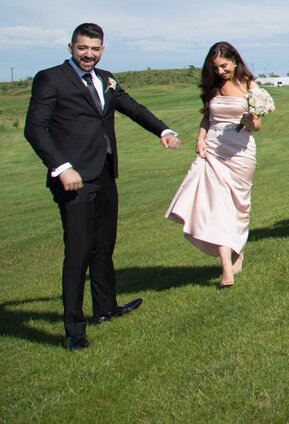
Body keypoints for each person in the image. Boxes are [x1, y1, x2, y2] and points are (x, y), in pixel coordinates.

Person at [25, 23, 181, 350]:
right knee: (78, 251)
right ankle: (74, 329)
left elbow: (133, 108)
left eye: (95, 49)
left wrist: (163, 130)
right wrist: (62, 167)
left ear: (102, 50)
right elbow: (35, 129)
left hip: (105, 172)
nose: (89, 54)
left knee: (104, 244)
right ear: (71, 47)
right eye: (83, 48)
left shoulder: (106, 78)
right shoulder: (50, 78)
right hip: (74, 178)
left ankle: (106, 308)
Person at [166, 42, 264, 288]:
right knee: (218, 206)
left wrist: (250, 121)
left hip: (241, 151)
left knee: (239, 206)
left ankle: (237, 250)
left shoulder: (249, 85)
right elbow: (207, 118)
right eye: (216, 68)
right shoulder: (213, 88)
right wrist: (200, 140)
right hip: (213, 151)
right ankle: (226, 268)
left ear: (234, 61)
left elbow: (258, 125)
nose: (221, 72)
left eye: (224, 66)